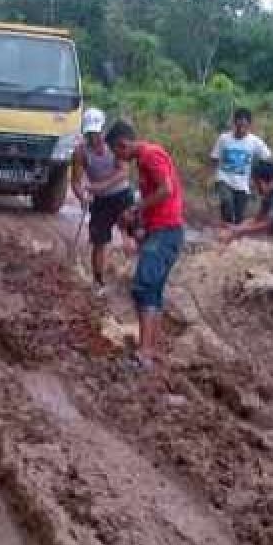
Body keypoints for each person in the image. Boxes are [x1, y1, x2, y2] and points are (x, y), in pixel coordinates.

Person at [106, 120, 185, 372]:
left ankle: (146, 352)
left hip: (166, 232)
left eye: (116, 153)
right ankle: (151, 349)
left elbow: (166, 190)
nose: (118, 159)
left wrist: (136, 208)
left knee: (143, 287)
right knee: (153, 290)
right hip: (161, 231)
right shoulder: (144, 160)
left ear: (122, 144)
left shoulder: (150, 155)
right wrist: (138, 220)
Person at [71, 108, 133, 295]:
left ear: (102, 130)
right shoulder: (81, 152)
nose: (93, 138)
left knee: (130, 232)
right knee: (99, 240)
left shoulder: (114, 147)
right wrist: (82, 197)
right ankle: (98, 281)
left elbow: (123, 171)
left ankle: (131, 273)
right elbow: (75, 181)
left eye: (96, 134)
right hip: (101, 202)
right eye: (89, 134)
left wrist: (100, 186)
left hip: (121, 194)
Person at [209, 107, 272, 225]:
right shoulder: (224, 138)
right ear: (234, 123)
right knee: (226, 203)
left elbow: (267, 156)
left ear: (249, 125)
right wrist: (213, 176)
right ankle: (225, 228)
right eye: (239, 126)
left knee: (239, 217)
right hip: (224, 178)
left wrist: (258, 174)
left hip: (242, 184)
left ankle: (232, 236)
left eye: (244, 126)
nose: (241, 129)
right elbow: (214, 157)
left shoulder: (254, 141)